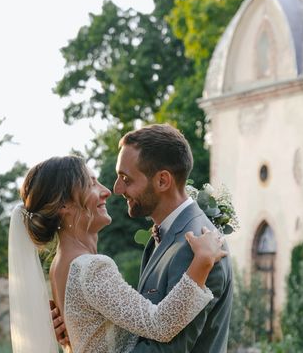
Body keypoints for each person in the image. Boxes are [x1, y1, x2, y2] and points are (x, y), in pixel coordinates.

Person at [8, 155, 227, 353]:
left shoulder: (59, 267)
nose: (106, 191)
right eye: (91, 183)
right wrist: (203, 261)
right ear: (64, 205)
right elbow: (160, 324)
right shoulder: (91, 268)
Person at [54, 124, 234, 352]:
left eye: (126, 179)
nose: (116, 189)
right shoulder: (164, 236)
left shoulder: (197, 246)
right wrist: (85, 329)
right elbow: (144, 323)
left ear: (162, 181)